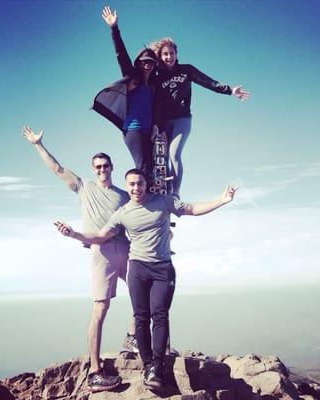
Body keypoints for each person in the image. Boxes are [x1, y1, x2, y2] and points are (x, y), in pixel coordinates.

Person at [54, 168, 236, 390]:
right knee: (141, 318)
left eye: (139, 183)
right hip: (138, 268)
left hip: (162, 269)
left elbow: (193, 209)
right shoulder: (123, 212)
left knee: (160, 315)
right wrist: (73, 234)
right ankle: (148, 365)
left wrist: (222, 200)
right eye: (131, 184)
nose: (135, 188)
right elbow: (100, 237)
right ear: (127, 186)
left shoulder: (163, 202)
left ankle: (156, 367)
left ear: (145, 184)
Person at [22, 126, 137, 393]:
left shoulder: (123, 195)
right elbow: (58, 170)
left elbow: (136, 220)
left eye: (105, 166)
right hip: (102, 253)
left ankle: (132, 338)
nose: (101, 170)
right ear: (92, 169)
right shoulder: (83, 187)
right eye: (97, 166)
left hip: (126, 249)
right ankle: (95, 371)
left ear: (112, 167)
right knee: (100, 309)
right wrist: (38, 145)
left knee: (144, 293)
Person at [149, 37, 250, 196]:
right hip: (164, 121)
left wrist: (230, 90)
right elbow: (154, 102)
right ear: (160, 56)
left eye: (172, 53)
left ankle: (175, 193)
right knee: (162, 156)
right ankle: (165, 191)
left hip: (182, 119)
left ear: (176, 54)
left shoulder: (186, 70)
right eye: (165, 54)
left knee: (174, 154)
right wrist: (155, 123)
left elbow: (208, 82)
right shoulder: (156, 76)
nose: (169, 57)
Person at [92, 6, 158, 182]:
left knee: (152, 167)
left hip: (147, 130)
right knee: (142, 166)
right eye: (144, 62)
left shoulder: (152, 85)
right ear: (138, 63)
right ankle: (142, 200)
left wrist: (155, 126)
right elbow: (120, 53)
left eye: (151, 62)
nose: (147, 65)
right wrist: (114, 28)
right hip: (133, 130)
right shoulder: (132, 78)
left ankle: (152, 196)